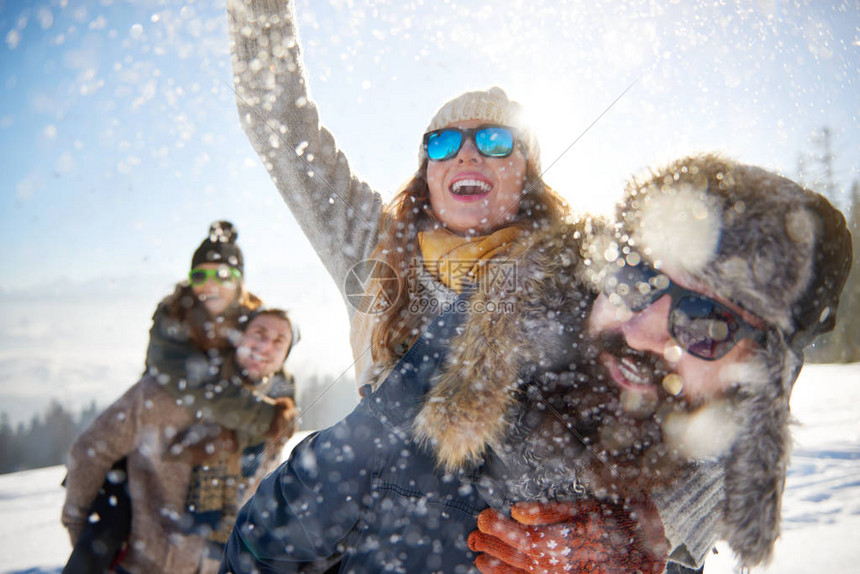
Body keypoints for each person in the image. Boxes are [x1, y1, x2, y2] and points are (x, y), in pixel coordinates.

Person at [465, 154, 852, 572]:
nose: (640, 333)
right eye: (635, 278)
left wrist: (662, 527)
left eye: (705, 323)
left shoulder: (730, 423)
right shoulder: (484, 319)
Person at [63, 221, 298, 573]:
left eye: (222, 273)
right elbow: (90, 450)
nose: (210, 285)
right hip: (147, 554)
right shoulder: (172, 330)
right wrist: (87, 533)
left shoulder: (264, 378)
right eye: (200, 275)